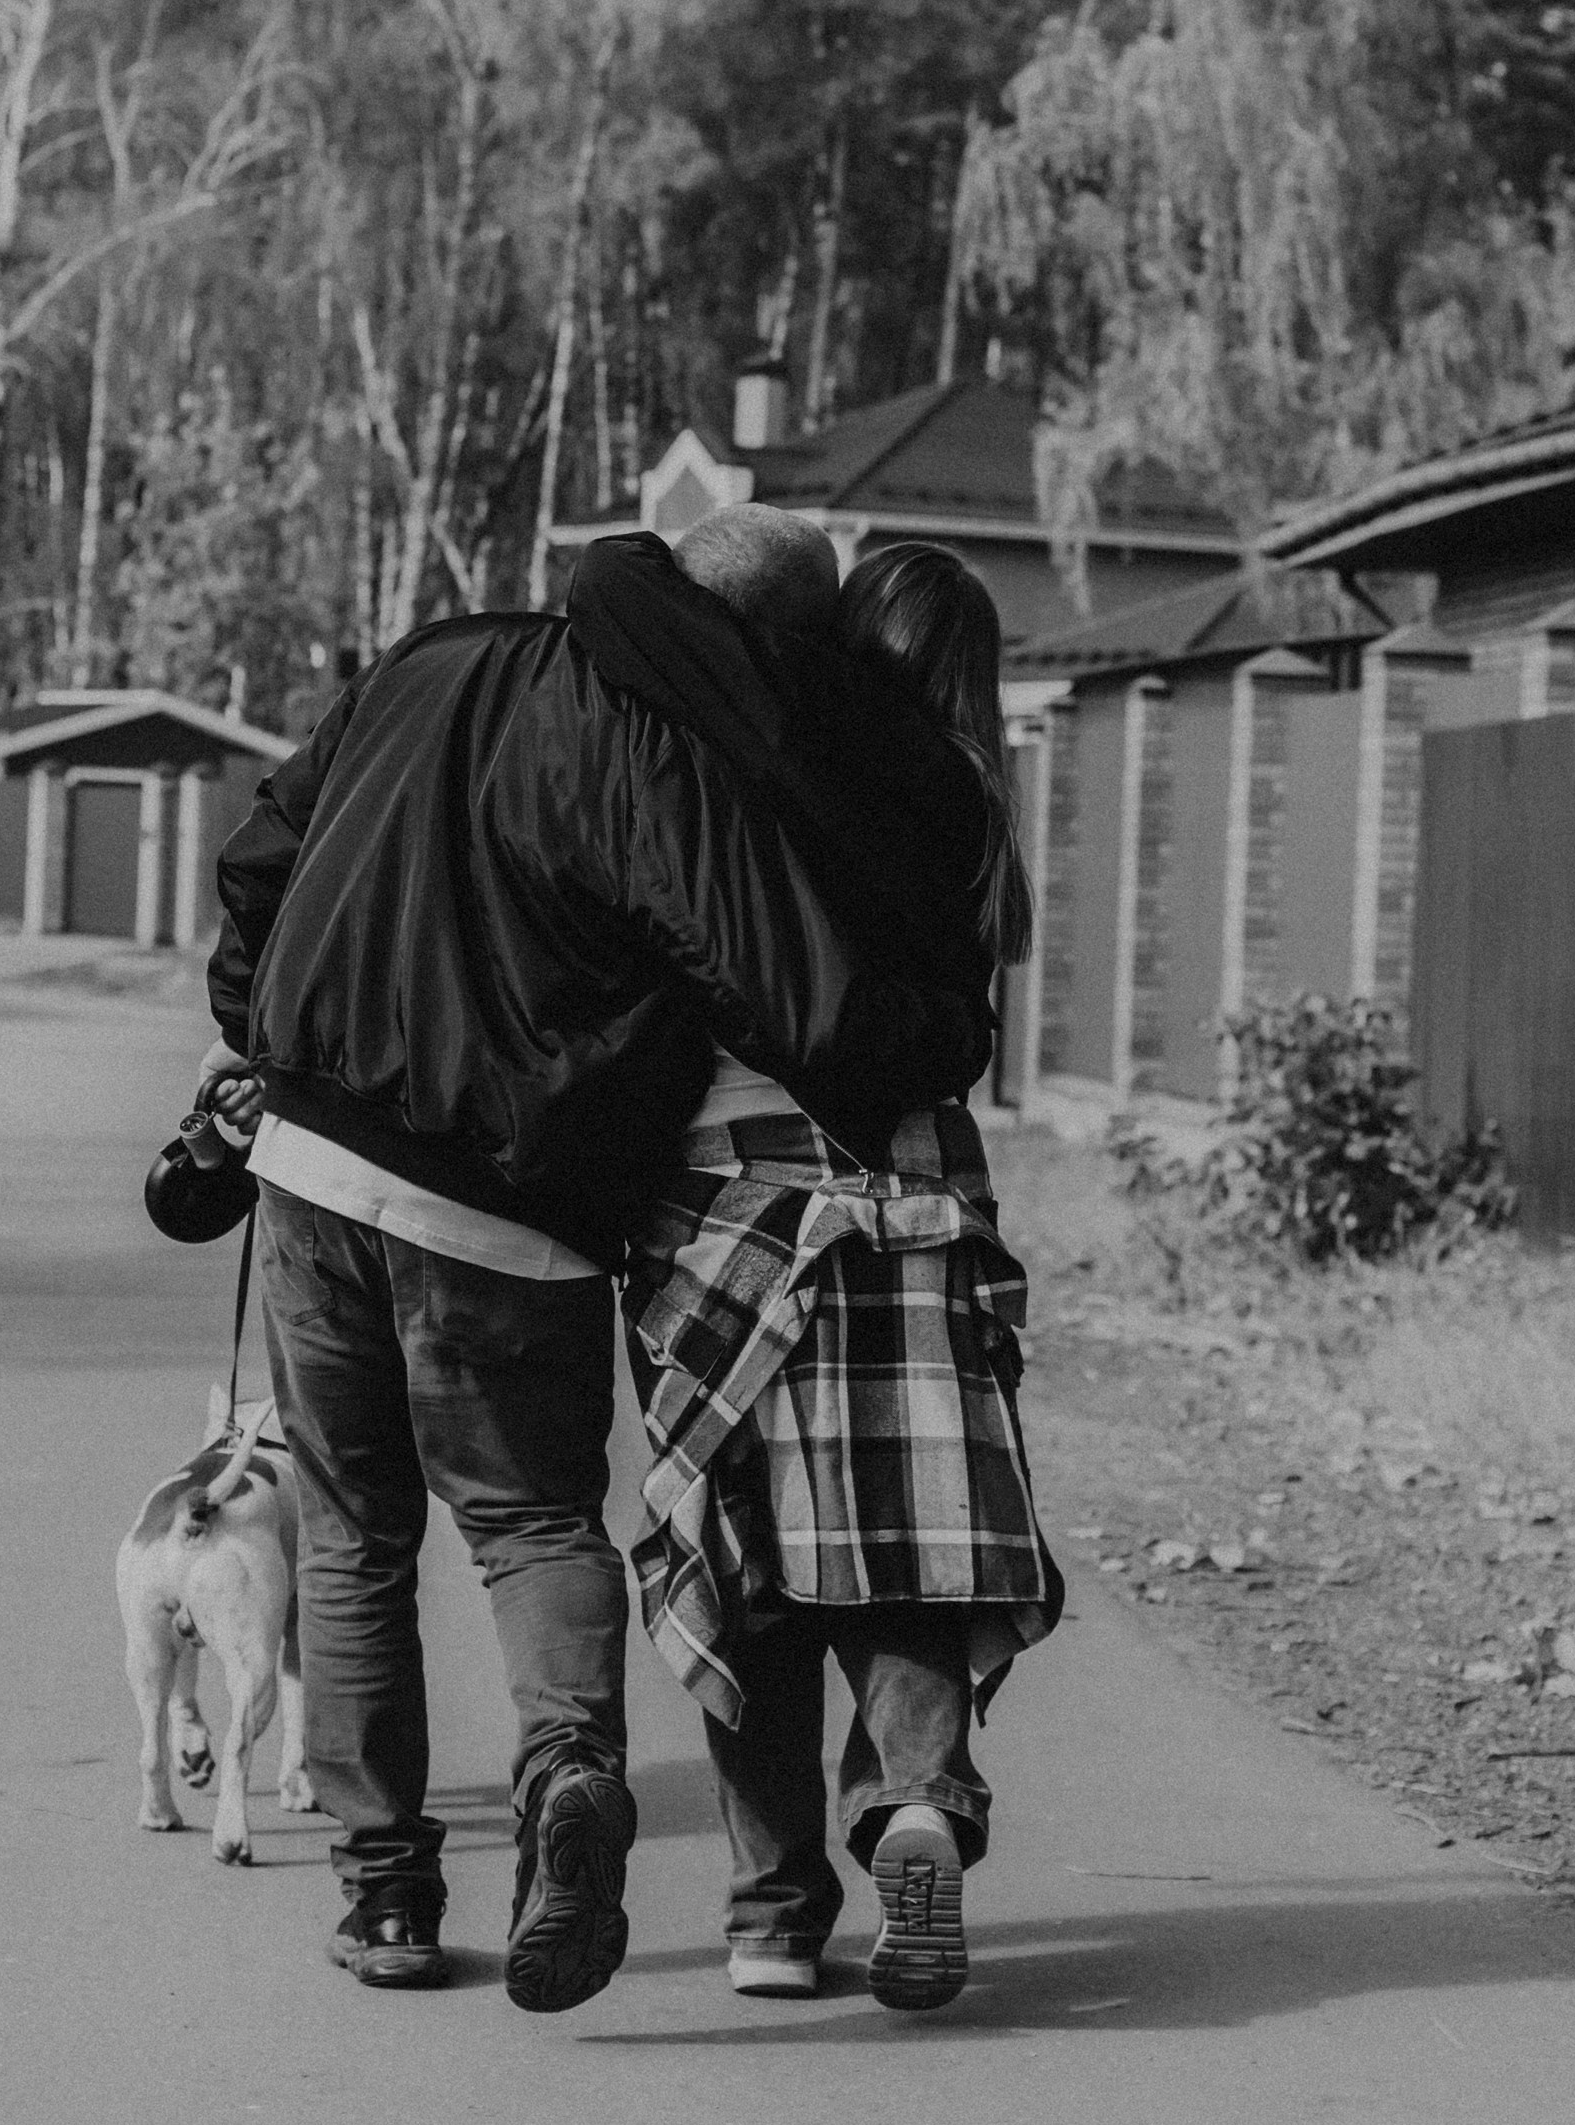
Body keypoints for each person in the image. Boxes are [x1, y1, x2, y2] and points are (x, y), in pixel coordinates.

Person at [194, 510, 989, 2015]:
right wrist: (942, 1040)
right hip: (512, 1204)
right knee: (532, 1521)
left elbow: (263, 850)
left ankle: (387, 1900)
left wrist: (258, 1023)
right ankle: (568, 1772)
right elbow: (779, 989)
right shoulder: (662, 751)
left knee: (356, 1533)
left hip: (310, 1163)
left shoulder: (431, 660)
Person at [568, 529, 1061, 2012]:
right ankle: (916, 1803)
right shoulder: (978, 813)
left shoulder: (794, 759)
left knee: (744, 1552)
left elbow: (615, 597)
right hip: (922, 1196)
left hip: (739, 1192)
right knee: (904, 1546)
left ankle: (775, 1914)